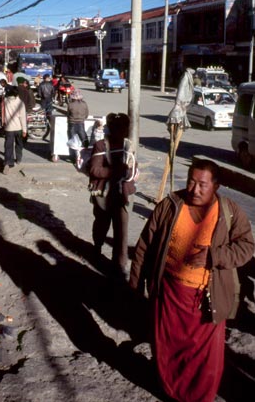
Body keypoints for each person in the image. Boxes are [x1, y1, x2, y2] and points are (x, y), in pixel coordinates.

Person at [129, 158, 254, 402]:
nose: (194, 189)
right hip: (170, 295)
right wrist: (135, 285)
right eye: (191, 182)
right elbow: (145, 246)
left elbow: (246, 247)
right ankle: (172, 392)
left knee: (205, 359)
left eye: (202, 184)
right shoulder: (170, 206)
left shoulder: (228, 212)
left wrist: (215, 256)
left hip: (207, 299)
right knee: (168, 351)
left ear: (216, 185)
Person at [89, 113, 138, 279]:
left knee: (122, 230)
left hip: (122, 193)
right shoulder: (101, 146)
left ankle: (120, 264)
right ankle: (97, 247)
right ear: (110, 129)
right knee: (102, 224)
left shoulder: (128, 145)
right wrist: (117, 171)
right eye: (117, 128)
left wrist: (131, 172)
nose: (121, 131)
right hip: (104, 193)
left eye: (123, 128)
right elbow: (95, 170)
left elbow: (133, 166)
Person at [2, 86, 27, 175]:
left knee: (8, 146)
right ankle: (18, 159)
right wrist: (25, 130)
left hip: (9, 128)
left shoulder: (6, 101)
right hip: (18, 128)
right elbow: (23, 118)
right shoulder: (20, 103)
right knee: (19, 144)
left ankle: (8, 163)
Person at [67, 89, 89, 162]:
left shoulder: (70, 104)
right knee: (84, 139)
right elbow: (86, 114)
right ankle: (85, 155)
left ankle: (73, 157)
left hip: (72, 123)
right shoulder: (84, 104)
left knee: (72, 141)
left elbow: (68, 114)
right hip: (81, 123)